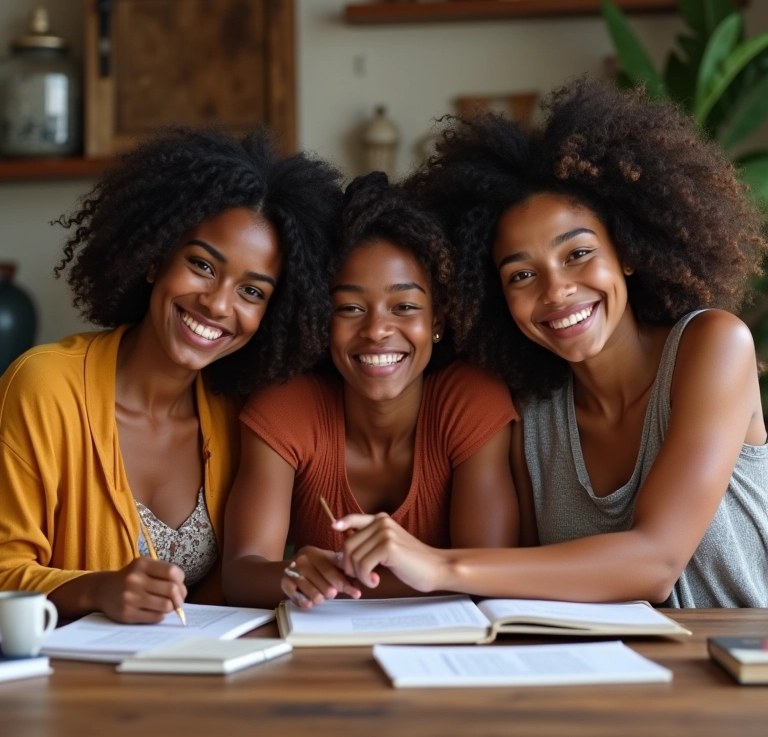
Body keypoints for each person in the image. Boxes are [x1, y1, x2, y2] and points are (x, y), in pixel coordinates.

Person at [331, 79, 768, 608]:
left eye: (577, 254)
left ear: (627, 251)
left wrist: (441, 564)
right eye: (521, 275)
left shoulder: (713, 346)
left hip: (733, 655)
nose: (556, 291)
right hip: (595, 658)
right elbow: (521, 583)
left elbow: (656, 562)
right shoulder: (531, 408)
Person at [0, 125, 342, 623]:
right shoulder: (44, 386)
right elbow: (4, 571)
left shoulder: (239, 415)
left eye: (252, 292)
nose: (218, 304)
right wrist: (97, 590)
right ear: (154, 260)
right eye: (202, 265)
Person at [222, 172, 519, 609]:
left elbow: (490, 572)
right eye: (350, 308)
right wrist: (291, 574)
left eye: (405, 306)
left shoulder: (470, 401)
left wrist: (346, 585)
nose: (377, 329)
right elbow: (240, 574)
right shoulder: (287, 406)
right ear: (321, 320)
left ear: (437, 320)